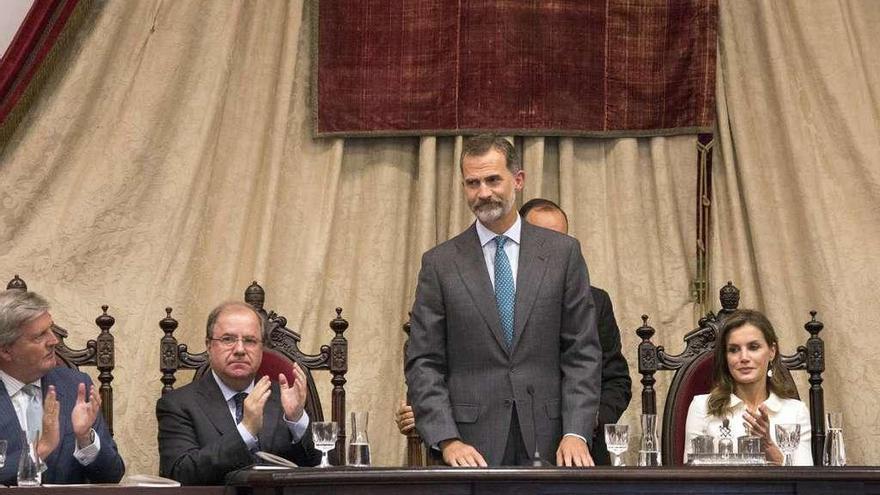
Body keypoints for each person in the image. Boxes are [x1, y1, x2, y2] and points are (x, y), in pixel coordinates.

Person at [404, 135, 602, 467]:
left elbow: (582, 352)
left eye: (493, 179)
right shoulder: (440, 264)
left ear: (518, 180)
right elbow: (424, 363)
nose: (483, 192)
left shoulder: (562, 254)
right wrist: (447, 440)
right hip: (469, 449)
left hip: (553, 443)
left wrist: (576, 432)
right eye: (473, 183)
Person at [156, 301, 321, 484]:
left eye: (250, 341)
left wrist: (297, 419)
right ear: (209, 345)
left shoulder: (283, 398)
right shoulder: (178, 404)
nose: (240, 350)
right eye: (228, 339)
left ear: (261, 348)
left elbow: (323, 468)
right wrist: (246, 431)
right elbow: (179, 474)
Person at [0, 290, 124, 485]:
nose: (53, 341)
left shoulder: (75, 386)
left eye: (50, 329)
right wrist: (40, 450)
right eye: (39, 336)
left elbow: (112, 476)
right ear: (6, 350)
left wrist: (85, 439)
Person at [684, 309, 811, 465]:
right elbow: (690, 479)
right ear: (726, 357)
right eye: (734, 350)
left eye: (753, 347)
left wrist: (769, 447)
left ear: (772, 351)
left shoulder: (796, 411)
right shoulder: (702, 407)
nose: (744, 358)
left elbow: (806, 484)